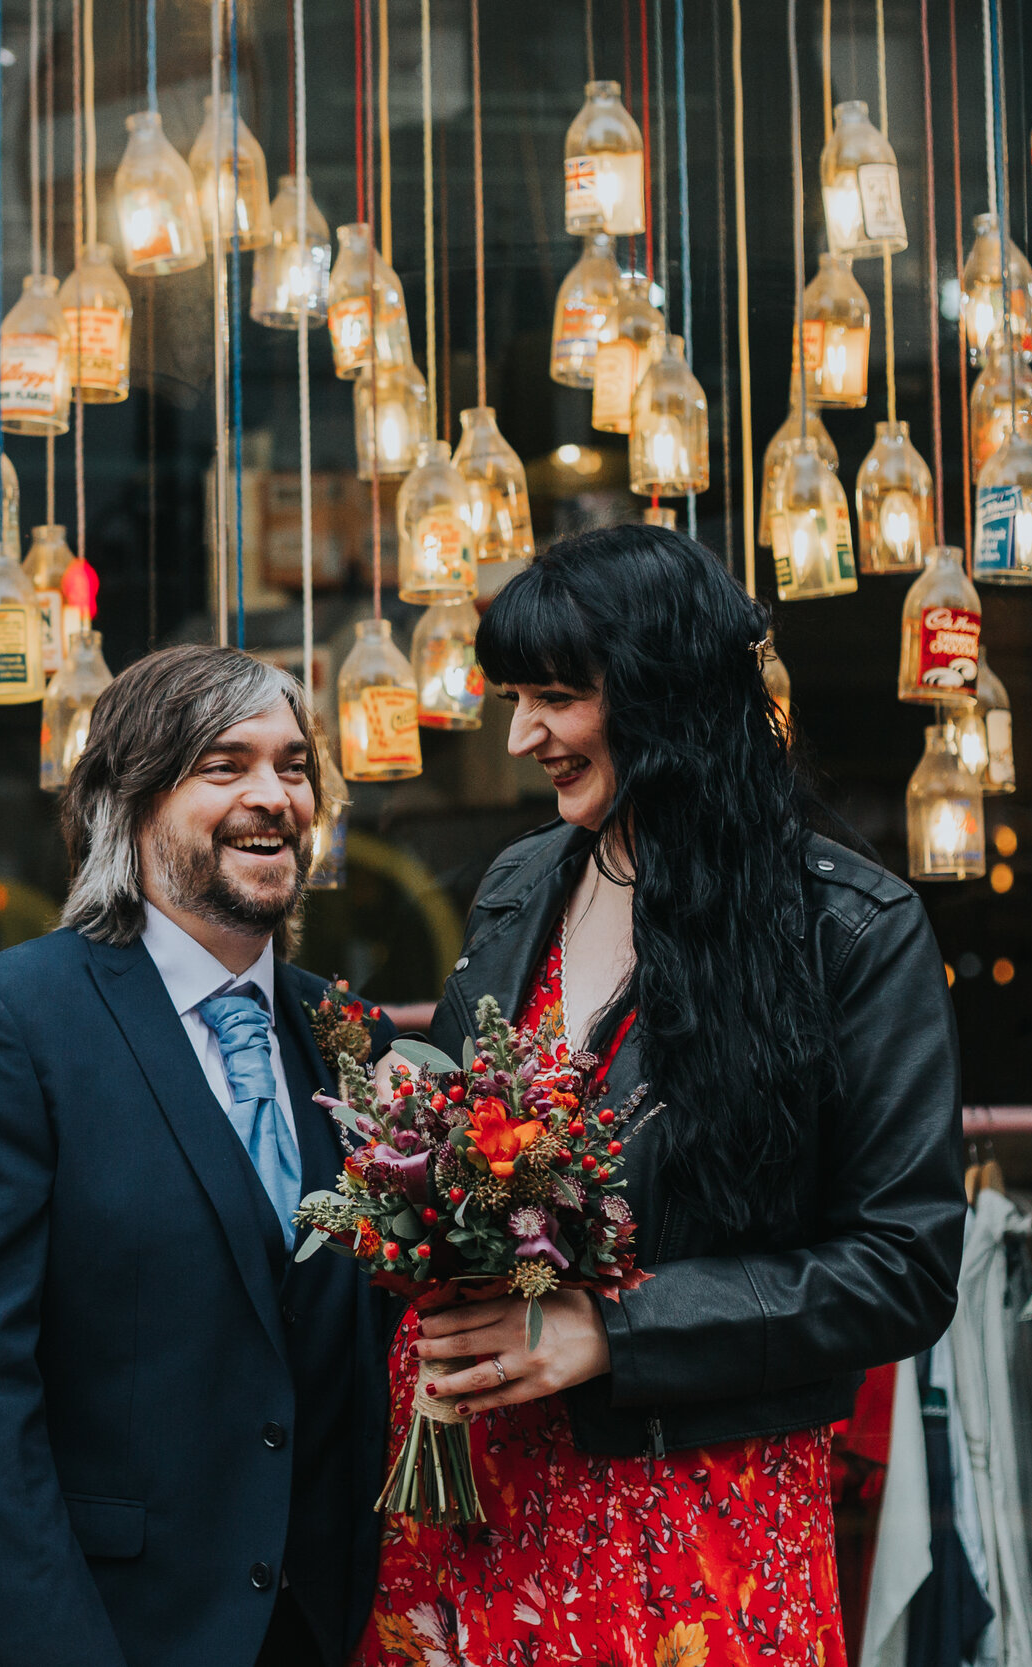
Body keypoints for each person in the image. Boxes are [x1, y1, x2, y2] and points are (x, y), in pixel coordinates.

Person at [355, 526, 965, 1665]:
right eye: (516, 694)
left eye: (554, 695)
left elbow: (903, 1264)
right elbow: (458, 1161)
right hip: (476, 1496)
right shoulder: (521, 880)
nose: (523, 733)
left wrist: (611, 1329)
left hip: (695, 1514)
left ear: (666, 696)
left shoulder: (850, 928)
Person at [0, 644, 397, 1667]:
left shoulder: (352, 1037)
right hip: (88, 1629)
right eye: (224, 765)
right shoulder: (1, 1025)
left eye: (293, 765)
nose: (273, 796)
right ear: (128, 801)